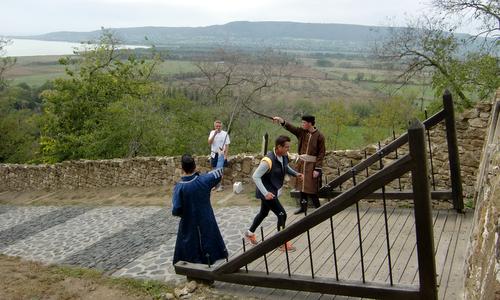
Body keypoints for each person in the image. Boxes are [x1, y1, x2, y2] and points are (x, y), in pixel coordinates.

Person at [244, 135, 303, 252]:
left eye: (288, 147)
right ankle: (281, 243)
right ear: (278, 147)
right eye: (286, 147)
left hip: (272, 191)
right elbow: (255, 176)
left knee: (263, 213)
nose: (288, 149)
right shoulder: (268, 160)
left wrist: (296, 174)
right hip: (267, 193)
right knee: (282, 214)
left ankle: (249, 234)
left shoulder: (283, 155)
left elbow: (285, 167)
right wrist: (265, 193)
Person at [172, 154, 228, 265]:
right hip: (206, 219)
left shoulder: (179, 187)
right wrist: (221, 156)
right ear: (195, 166)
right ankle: (209, 263)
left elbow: (176, 209)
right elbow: (219, 170)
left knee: (191, 246)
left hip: (188, 223)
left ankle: (194, 269)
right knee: (208, 240)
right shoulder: (205, 180)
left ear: (182, 168)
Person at [273, 115, 326, 215]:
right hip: (301, 164)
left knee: (312, 188)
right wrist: (281, 120)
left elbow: (321, 153)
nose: (302, 124)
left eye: (304, 123)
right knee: (302, 188)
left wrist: (317, 169)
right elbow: (291, 128)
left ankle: (319, 209)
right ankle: (303, 207)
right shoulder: (301, 132)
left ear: (310, 123)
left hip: (312, 166)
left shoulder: (319, 136)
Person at [208, 120, 230, 192]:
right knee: (214, 170)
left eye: (219, 126)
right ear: (214, 126)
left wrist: (225, 156)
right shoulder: (212, 132)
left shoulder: (225, 134)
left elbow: (227, 145)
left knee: (220, 170)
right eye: (217, 126)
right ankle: (215, 185)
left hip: (221, 154)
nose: (218, 127)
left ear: (221, 126)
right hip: (214, 154)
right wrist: (214, 134)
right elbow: (209, 142)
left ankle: (220, 186)